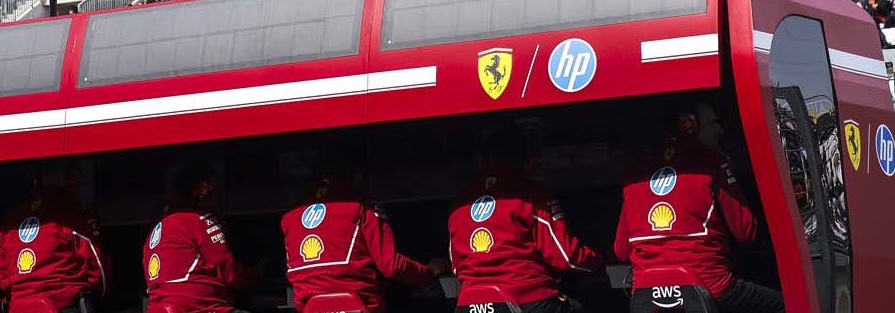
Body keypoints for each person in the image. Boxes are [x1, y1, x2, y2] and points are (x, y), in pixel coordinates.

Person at [613, 115, 780, 313]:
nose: (720, 130)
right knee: (786, 304)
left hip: (646, 295)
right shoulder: (712, 163)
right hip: (710, 285)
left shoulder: (633, 175)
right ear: (690, 124)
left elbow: (621, 251)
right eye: (714, 122)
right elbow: (746, 232)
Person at [447, 128, 600, 313]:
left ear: (483, 160)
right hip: (527, 299)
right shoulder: (532, 193)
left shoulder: (461, 202)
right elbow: (566, 257)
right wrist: (597, 259)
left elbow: (456, 267)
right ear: (526, 157)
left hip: (469, 305)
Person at [280, 155, 441, 312]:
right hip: (359, 306)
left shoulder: (289, 216)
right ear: (358, 174)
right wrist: (428, 273)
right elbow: (390, 266)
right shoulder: (362, 203)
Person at [0, 170, 107, 313]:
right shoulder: (73, 212)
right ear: (69, 179)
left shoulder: (10, 221)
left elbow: (3, 277)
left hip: (19, 307)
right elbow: (97, 269)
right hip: (63, 305)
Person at [144, 163, 245, 313]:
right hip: (200, 307)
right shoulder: (200, 220)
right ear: (204, 189)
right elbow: (228, 273)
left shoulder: (156, 229)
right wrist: (256, 276)